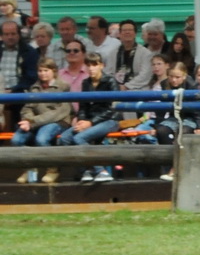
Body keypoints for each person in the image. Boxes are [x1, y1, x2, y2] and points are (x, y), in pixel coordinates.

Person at [55, 51, 121, 183]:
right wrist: (82, 121)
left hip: (110, 120)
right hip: (89, 121)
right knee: (64, 139)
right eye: (88, 66)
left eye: (94, 65)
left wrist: (90, 122)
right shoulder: (86, 83)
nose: (91, 69)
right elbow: (83, 106)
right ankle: (85, 170)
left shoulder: (111, 81)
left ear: (101, 65)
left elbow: (111, 109)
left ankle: (100, 170)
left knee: (80, 138)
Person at [11, 60, 71, 183]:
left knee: (42, 138)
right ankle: (29, 168)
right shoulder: (34, 88)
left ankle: (52, 169)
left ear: (53, 71)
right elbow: (26, 109)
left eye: (46, 70)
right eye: (40, 71)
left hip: (58, 122)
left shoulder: (63, 87)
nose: (42, 74)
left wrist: (32, 122)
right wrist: (27, 121)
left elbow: (58, 113)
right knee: (16, 139)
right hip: (35, 123)